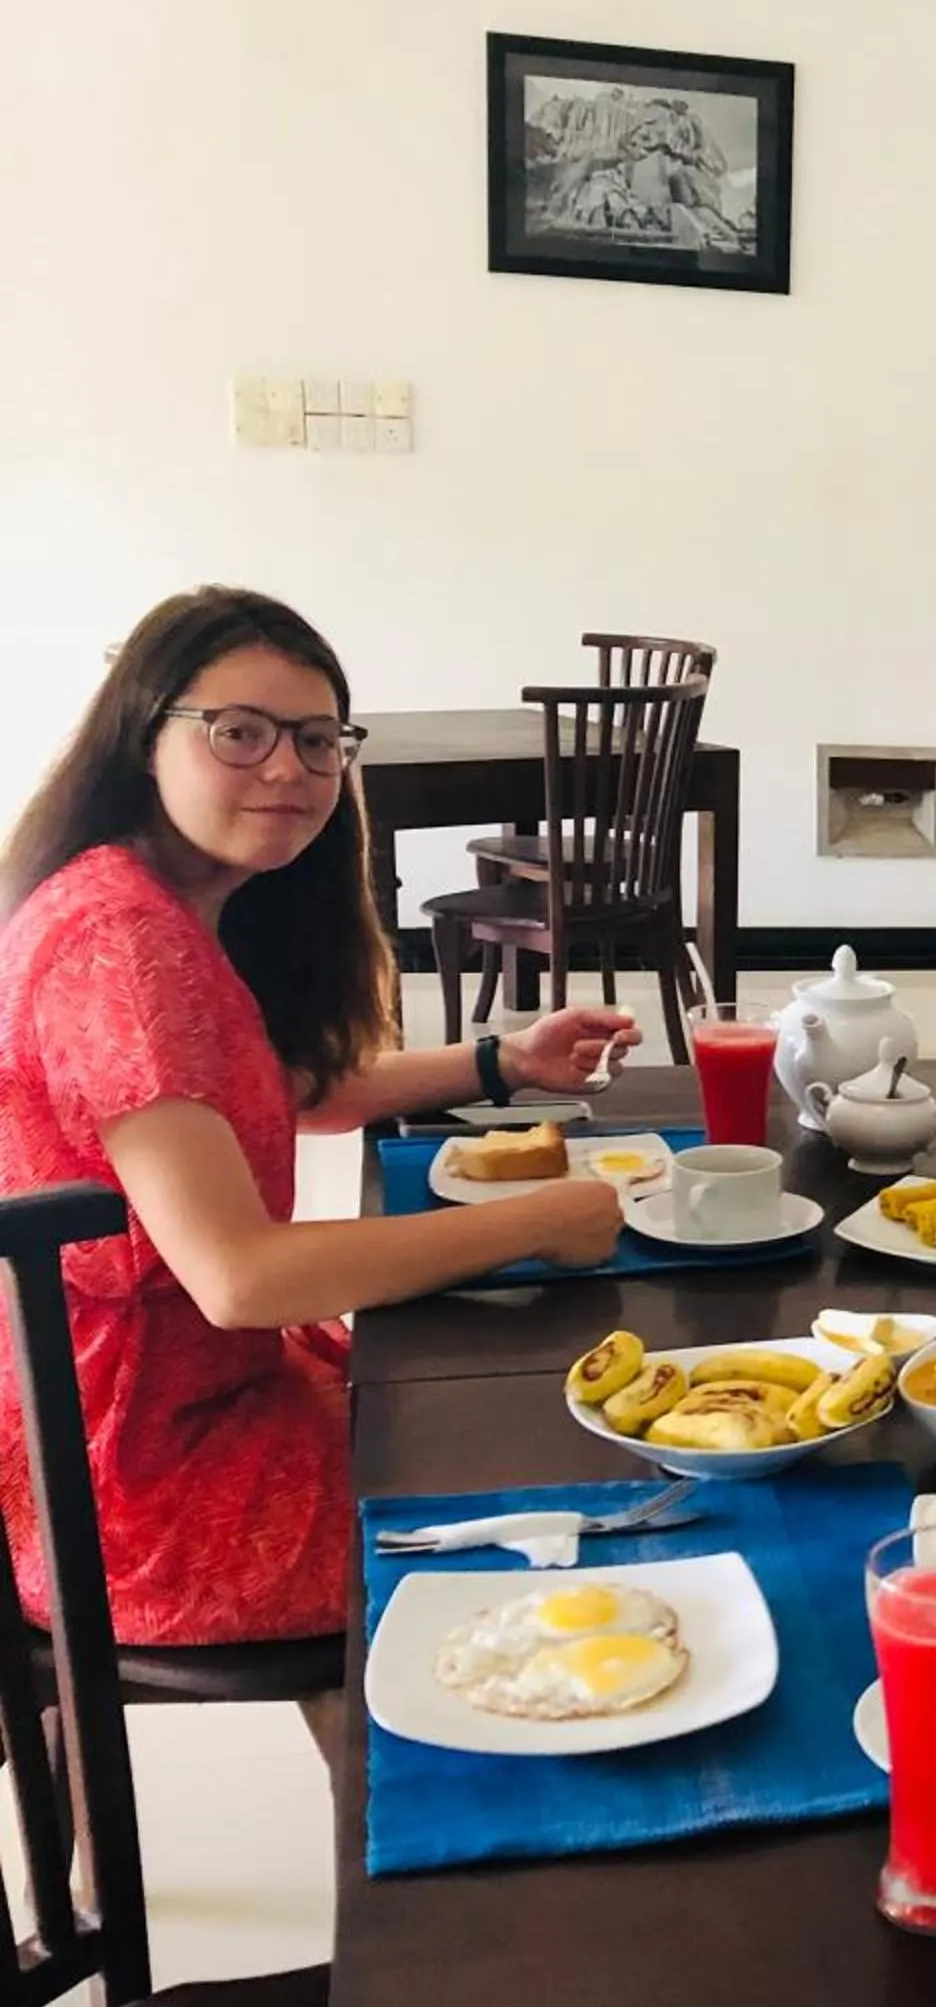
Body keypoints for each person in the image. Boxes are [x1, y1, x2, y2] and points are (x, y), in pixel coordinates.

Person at [0, 587, 635, 1675]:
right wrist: (539, 1220)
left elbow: (290, 1090)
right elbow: (240, 1277)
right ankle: (453, 1747)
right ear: (144, 736)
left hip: (182, 1406)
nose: (287, 770)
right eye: (238, 733)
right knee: (576, 1473)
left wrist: (502, 1061)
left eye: (315, 740)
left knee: (503, 1390)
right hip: (139, 1487)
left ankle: (380, 1724)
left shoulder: (159, 896)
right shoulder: (125, 948)